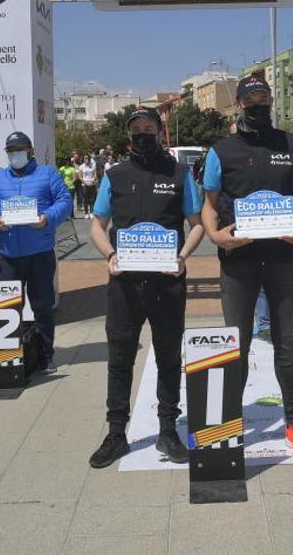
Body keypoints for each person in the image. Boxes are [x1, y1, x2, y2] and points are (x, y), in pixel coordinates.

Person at [201, 74, 293, 460]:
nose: (259, 104)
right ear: (238, 105)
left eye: (264, 98)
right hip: (239, 261)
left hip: (284, 259)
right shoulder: (221, 151)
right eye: (251, 100)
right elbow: (208, 205)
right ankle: (229, 425)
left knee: (286, 345)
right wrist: (215, 236)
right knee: (237, 345)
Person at [87, 109, 205, 468]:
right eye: (136, 129)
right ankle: (116, 433)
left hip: (167, 282)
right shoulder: (115, 175)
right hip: (124, 284)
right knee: (120, 359)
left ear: (159, 133)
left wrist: (183, 256)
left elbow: (196, 223)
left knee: (169, 358)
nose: (142, 134)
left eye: (149, 129)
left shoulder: (179, 173)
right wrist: (109, 255)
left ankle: (167, 430)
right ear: (128, 135)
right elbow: (97, 224)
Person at [0, 131, 74, 372]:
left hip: (40, 253)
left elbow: (64, 200)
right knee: (9, 307)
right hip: (9, 254)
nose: (15, 155)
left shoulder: (47, 174)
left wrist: (47, 218)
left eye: (19, 150)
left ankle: (45, 355)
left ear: (30, 151)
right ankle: (8, 357)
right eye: (11, 151)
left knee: (42, 306)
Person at [78, 154, 99, 219]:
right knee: (86, 199)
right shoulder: (81, 166)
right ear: (83, 159)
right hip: (85, 184)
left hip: (92, 183)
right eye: (85, 158)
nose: (86, 159)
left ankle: (92, 212)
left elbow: (96, 174)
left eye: (87, 158)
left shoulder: (93, 166)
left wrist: (93, 181)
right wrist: (85, 182)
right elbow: (80, 176)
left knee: (92, 198)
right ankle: (86, 213)